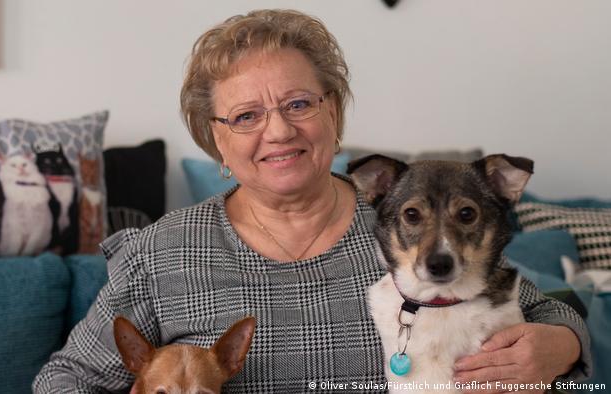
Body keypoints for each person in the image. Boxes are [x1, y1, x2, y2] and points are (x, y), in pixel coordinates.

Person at [34, 9, 590, 393]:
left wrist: (563, 344)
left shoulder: (406, 225)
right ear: (217, 142)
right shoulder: (163, 252)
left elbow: (543, 311)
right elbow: (66, 380)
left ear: (333, 115)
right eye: (246, 116)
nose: (278, 131)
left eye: (299, 103)